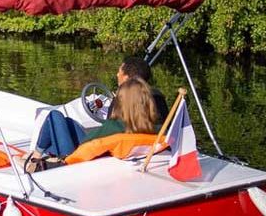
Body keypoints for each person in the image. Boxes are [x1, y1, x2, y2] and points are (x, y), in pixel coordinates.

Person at [27, 77, 160, 164]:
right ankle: (38, 153)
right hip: (106, 160)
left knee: (54, 116)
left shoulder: (112, 127)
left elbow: (86, 144)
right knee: (68, 123)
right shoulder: (158, 129)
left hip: (76, 162)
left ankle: (35, 156)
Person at [113, 55, 167, 124]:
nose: (117, 75)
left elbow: (111, 127)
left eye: (119, 72)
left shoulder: (123, 98)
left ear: (126, 78)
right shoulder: (158, 96)